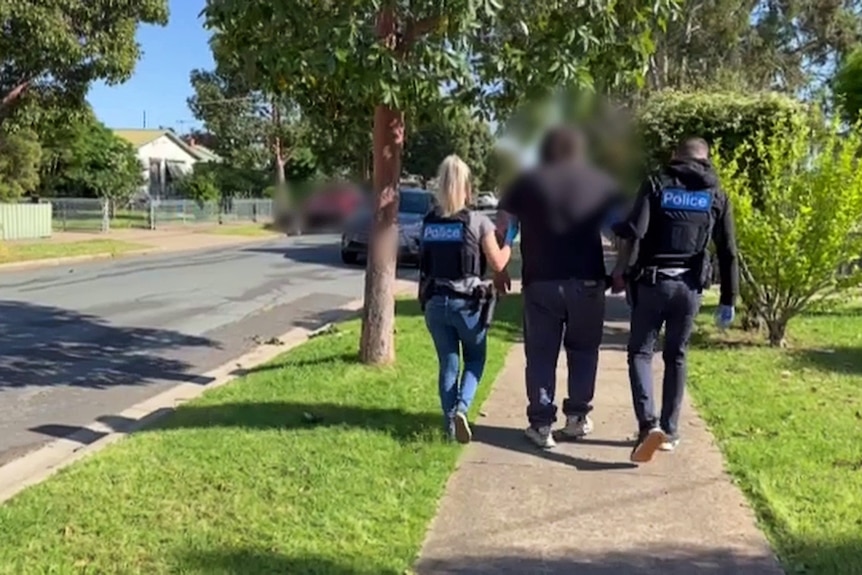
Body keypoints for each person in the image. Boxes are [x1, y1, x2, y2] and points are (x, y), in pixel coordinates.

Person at [495, 126, 626, 449]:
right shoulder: (598, 183)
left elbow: (504, 227)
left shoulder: (525, 183)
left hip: (542, 283)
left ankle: (541, 425)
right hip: (588, 283)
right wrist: (621, 269)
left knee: (541, 355)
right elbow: (623, 230)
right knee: (583, 352)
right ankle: (577, 418)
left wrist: (499, 266)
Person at [611, 136, 739, 464]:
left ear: (675, 156)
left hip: (652, 284)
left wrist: (616, 224)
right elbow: (728, 252)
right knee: (676, 356)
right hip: (690, 288)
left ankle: (647, 426)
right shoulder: (716, 195)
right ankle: (669, 431)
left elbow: (634, 230)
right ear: (706, 160)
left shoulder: (655, 184)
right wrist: (728, 298)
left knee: (640, 352)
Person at [419, 154, 516, 444]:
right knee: (475, 358)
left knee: (448, 365)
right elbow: (497, 263)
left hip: (435, 303)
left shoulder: (429, 222)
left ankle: (450, 428)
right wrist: (509, 240)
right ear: (466, 187)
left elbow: (425, 264)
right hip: (468, 305)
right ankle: (462, 409)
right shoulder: (477, 221)